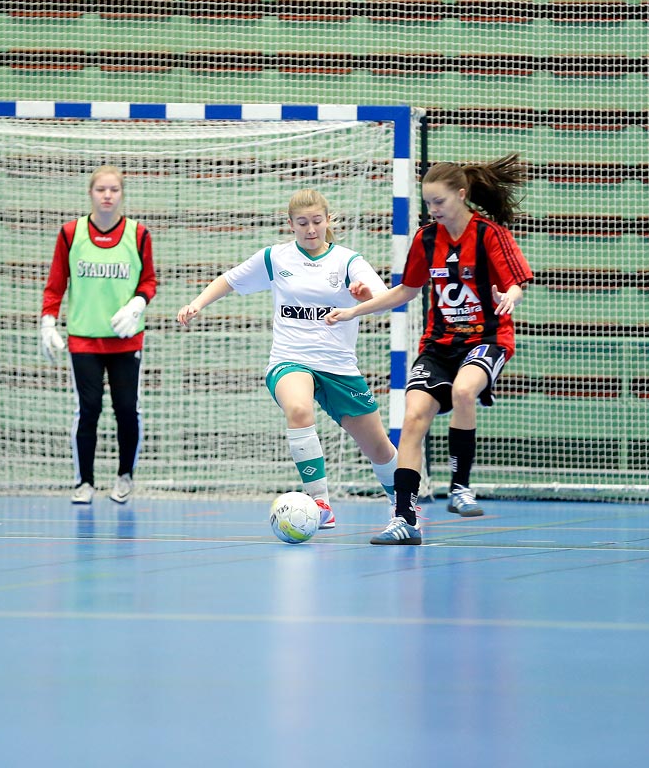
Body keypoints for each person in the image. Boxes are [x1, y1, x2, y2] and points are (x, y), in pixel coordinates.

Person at [327, 154, 533, 546]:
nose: (432, 209)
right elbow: (407, 290)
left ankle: (460, 487)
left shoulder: (490, 235)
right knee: (414, 415)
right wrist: (355, 309)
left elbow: (517, 282)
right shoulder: (427, 239)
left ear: (460, 194)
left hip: (487, 337)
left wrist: (510, 296)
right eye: (427, 203)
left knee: (463, 391)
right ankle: (404, 517)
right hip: (439, 344)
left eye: (439, 202)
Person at [176, 189, 400, 530]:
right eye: (302, 223)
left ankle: (403, 503)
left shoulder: (347, 261)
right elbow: (229, 280)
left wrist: (363, 299)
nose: (310, 230)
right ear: (290, 224)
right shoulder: (275, 258)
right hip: (290, 358)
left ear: (327, 220)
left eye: (316, 221)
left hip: (338, 366)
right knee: (298, 410)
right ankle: (320, 502)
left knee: (379, 448)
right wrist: (198, 303)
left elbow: (387, 298)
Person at [40, 165, 156, 505]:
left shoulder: (138, 234)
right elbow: (56, 283)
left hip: (126, 340)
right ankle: (85, 481)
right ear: (90, 193)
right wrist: (48, 321)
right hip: (84, 338)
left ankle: (124, 476)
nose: (107, 195)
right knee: (88, 409)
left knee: (126, 409)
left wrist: (137, 303)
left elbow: (149, 281)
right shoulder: (70, 233)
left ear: (122, 194)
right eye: (101, 189)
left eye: (114, 190)